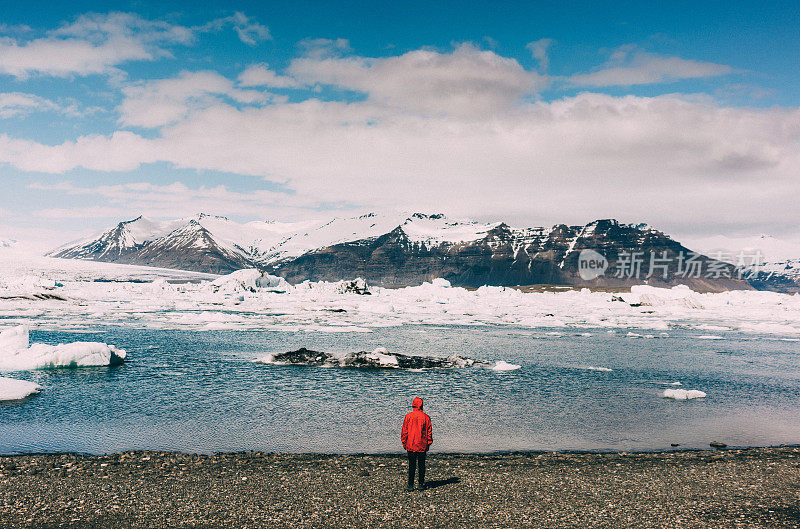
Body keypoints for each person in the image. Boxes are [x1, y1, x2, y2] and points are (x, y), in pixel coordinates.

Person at [401, 396, 433, 491]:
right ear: (422, 405)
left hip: (410, 444)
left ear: (413, 405)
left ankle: (410, 485)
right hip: (422, 445)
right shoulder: (426, 417)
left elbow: (404, 432)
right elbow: (429, 433)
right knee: (421, 465)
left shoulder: (408, 416)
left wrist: (404, 443)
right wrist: (428, 444)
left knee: (412, 465)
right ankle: (420, 484)